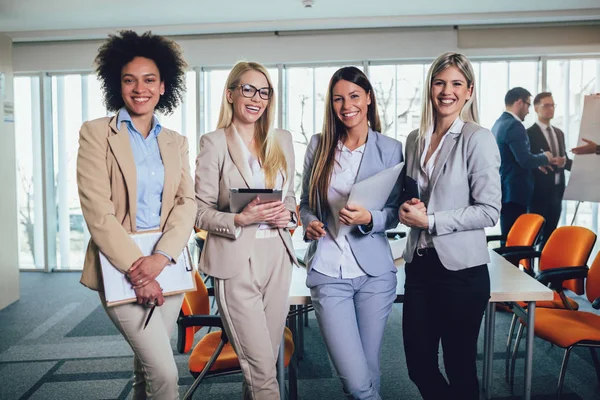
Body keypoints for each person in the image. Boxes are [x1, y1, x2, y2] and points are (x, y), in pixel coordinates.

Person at [77, 31, 196, 399]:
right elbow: (98, 211)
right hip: (120, 267)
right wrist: (139, 271)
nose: (139, 88)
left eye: (149, 80)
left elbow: (186, 202)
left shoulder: (175, 141)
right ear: (118, 85)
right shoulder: (97, 134)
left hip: (167, 265)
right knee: (164, 374)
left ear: (163, 86)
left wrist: (160, 258)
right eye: (129, 80)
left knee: (146, 372)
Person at [399, 52, 501, 400]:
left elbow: (489, 211)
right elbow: (415, 193)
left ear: (469, 91)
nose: (447, 91)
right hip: (420, 267)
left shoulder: (478, 138)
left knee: (459, 367)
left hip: (463, 272)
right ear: (430, 87)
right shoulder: (415, 139)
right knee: (418, 365)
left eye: (457, 83)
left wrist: (431, 220)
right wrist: (407, 208)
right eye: (440, 82)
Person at [299, 66, 404, 400]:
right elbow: (305, 203)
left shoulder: (390, 148)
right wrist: (309, 221)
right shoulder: (319, 146)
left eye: (354, 96)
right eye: (338, 99)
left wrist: (369, 217)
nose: (347, 106)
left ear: (369, 98)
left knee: (369, 369)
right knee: (356, 380)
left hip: (375, 274)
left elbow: (396, 214)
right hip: (329, 273)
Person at [195, 61, 297, 400]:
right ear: (231, 94)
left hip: (277, 258)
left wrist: (289, 216)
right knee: (263, 373)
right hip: (236, 258)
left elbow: (292, 198)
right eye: (248, 89)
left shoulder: (281, 139)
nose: (256, 98)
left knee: (266, 366)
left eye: (264, 92)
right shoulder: (214, 143)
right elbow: (198, 209)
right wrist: (238, 219)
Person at [491, 87, 557, 242]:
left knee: (507, 238)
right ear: (519, 102)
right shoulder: (515, 125)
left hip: (505, 190)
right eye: (528, 105)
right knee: (515, 242)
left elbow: (512, 158)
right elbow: (525, 160)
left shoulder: (498, 124)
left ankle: (507, 266)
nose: (528, 111)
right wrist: (545, 157)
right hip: (516, 191)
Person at [527, 92, 571, 246]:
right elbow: (527, 162)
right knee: (534, 235)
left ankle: (545, 268)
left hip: (557, 191)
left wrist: (566, 162)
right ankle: (529, 269)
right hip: (538, 193)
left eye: (553, 105)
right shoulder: (529, 133)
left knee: (551, 235)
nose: (550, 109)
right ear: (536, 108)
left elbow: (564, 159)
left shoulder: (559, 133)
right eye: (546, 105)